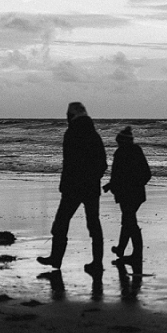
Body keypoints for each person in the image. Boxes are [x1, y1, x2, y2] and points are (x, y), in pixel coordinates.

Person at [37, 102, 108, 275]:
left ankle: (56, 258)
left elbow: (69, 164)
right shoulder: (94, 135)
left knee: (61, 223)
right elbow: (103, 164)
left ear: (71, 116)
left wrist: (68, 183)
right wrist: (93, 178)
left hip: (73, 187)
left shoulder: (71, 134)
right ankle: (97, 263)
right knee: (94, 225)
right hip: (91, 187)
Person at [103, 126, 151, 266]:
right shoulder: (135, 151)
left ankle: (136, 254)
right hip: (133, 193)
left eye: (119, 141)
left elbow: (120, 175)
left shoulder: (122, 153)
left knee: (130, 222)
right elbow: (143, 174)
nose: (117, 143)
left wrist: (127, 186)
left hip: (128, 194)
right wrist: (111, 185)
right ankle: (121, 249)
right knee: (128, 221)